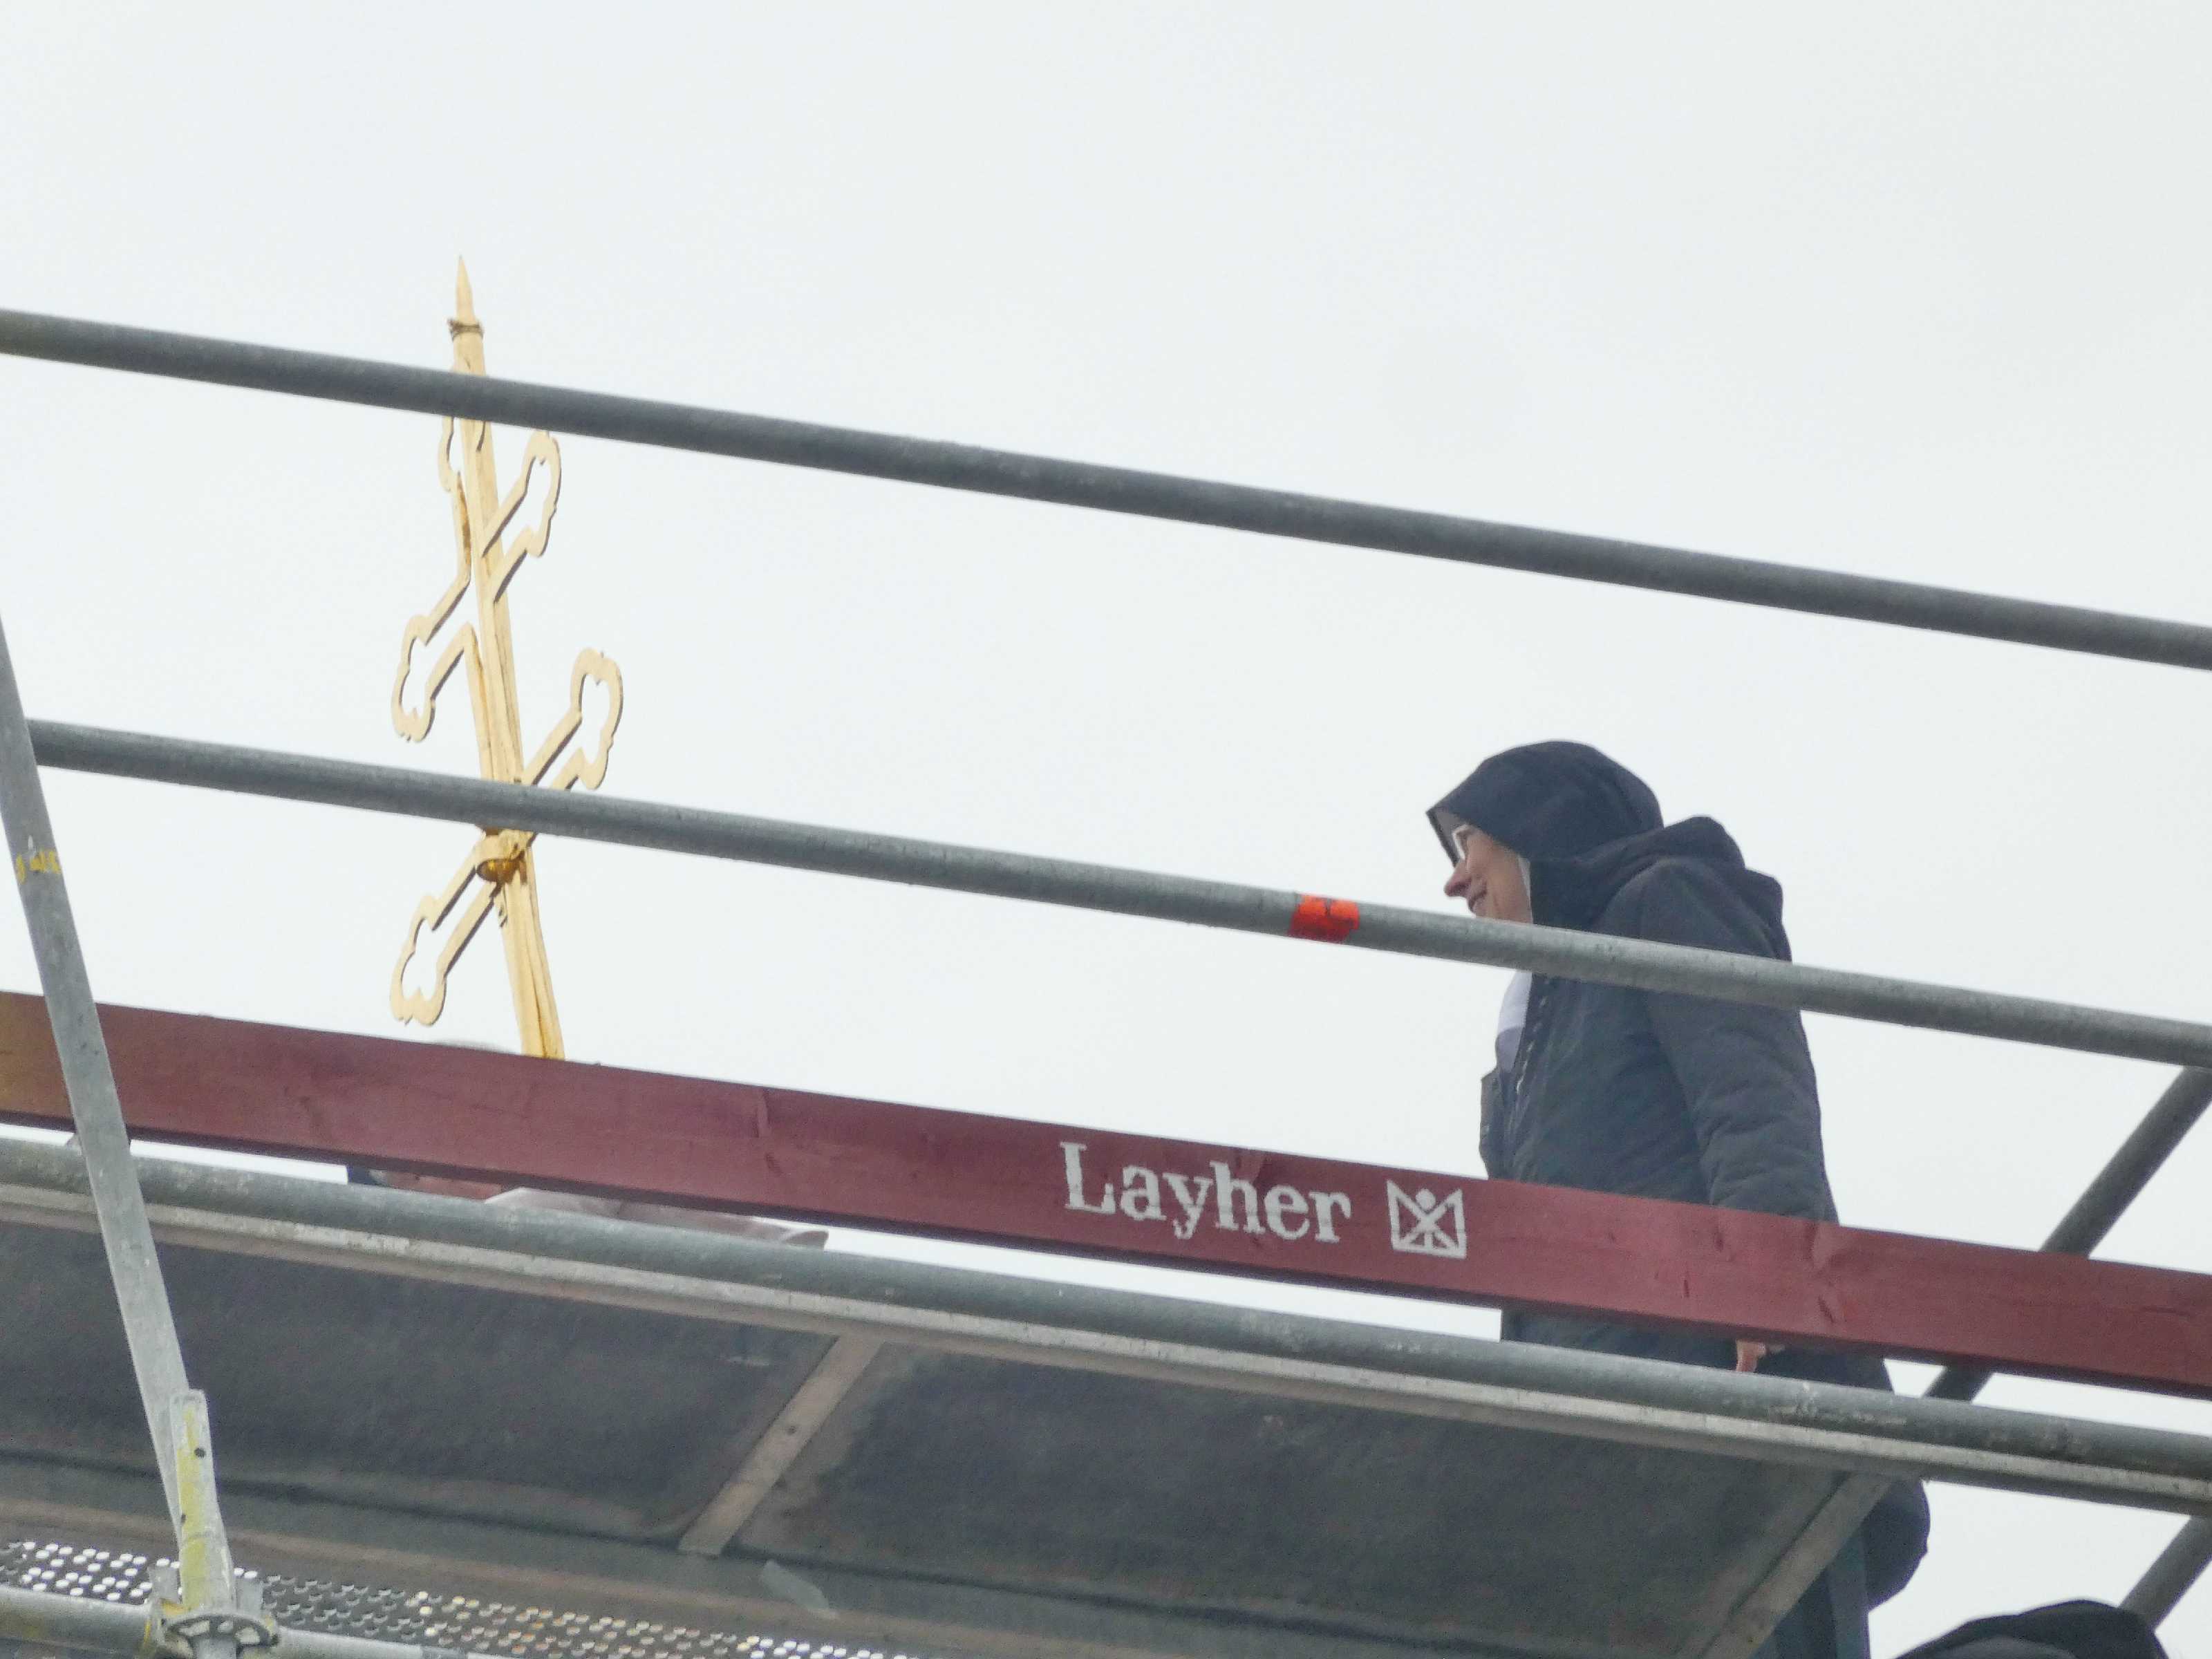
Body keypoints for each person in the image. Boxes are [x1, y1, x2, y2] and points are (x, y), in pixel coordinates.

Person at [1428, 741, 1929, 1659]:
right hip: (1603, 1434)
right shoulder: (1538, 1009)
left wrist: (1769, 1280)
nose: (1456, 881)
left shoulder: (1667, 900)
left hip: (1729, 1397)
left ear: (1541, 828)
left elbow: (1752, 1091)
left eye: (1470, 841)